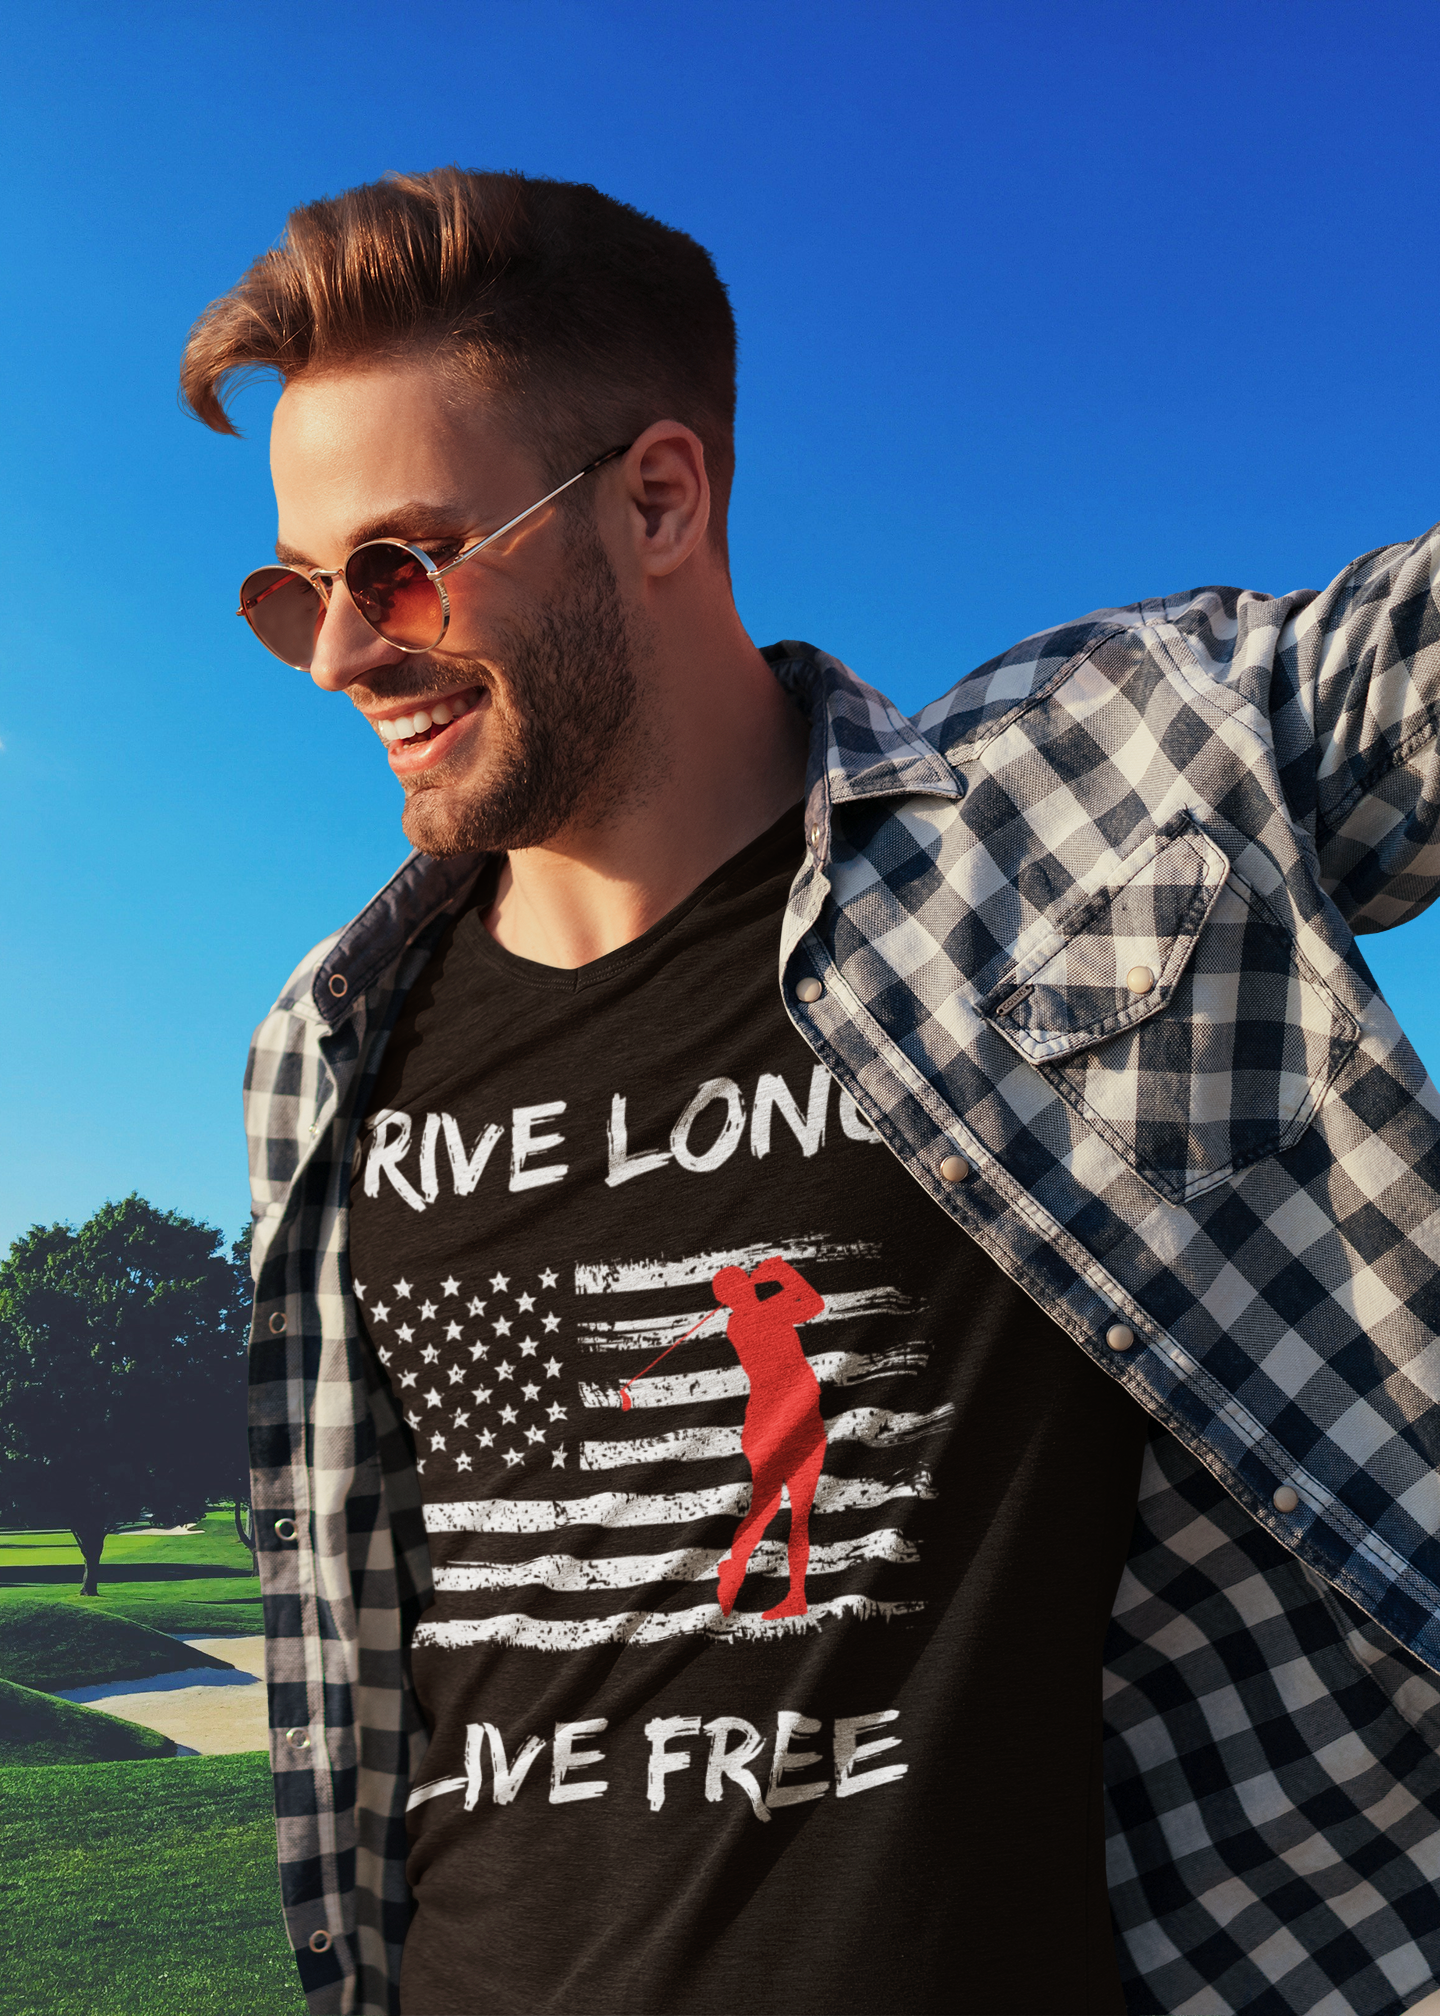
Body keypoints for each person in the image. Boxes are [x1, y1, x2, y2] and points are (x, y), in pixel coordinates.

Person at [183, 167, 1440, 2016]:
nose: (347, 654)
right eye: (297, 593)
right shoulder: (327, 1045)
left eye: (401, 565)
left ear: (662, 497)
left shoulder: (1077, 807)